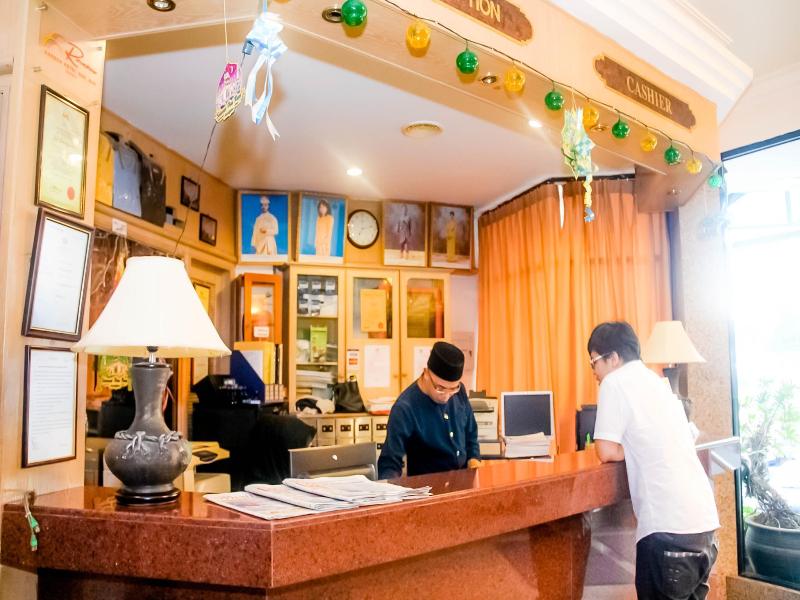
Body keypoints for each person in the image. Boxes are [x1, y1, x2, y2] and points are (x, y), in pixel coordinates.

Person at [588, 321, 720, 600]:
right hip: (704, 529)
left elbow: (605, 451)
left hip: (668, 530)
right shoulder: (659, 383)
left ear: (613, 358)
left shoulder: (615, 382)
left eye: (594, 362)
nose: (595, 373)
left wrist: (630, 447)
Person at [378, 341, 481, 479]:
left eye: (453, 389)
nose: (446, 396)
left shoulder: (459, 391)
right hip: (428, 486)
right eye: (440, 388)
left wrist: (474, 461)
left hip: (463, 482)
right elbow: (390, 462)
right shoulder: (405, 408)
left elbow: (471, 433)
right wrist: (390, 487)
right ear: (426, 373)